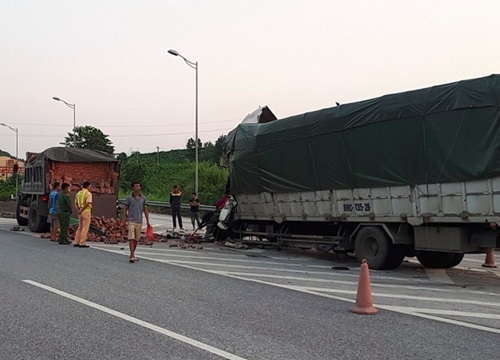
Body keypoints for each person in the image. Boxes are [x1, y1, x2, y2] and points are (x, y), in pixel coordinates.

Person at [121, 181, 150, 263]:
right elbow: (125, 208)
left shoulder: (143, 198)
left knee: (136, 239)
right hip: (131, 220)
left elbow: (145, 209)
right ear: (133, 188)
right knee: (131, 238)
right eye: (136, 186)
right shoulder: (129, 198)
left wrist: (148, 221)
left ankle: (132, 254)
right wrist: (124, 219)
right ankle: (132, 255)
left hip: (139, 221)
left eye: (139, 186)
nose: (138, 187)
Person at [74, 181, 92, 248]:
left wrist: (78, 210)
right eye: (90, 186)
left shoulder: (78, 193)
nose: (90, 187)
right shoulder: (88, 193)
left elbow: (75, 203)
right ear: (87, 186)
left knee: (80, 227)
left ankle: (76, 241)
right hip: (86, 211)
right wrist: (82, 210)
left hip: (80, 212)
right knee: (85, 227)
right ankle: (82, 242)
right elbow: (88, 203)